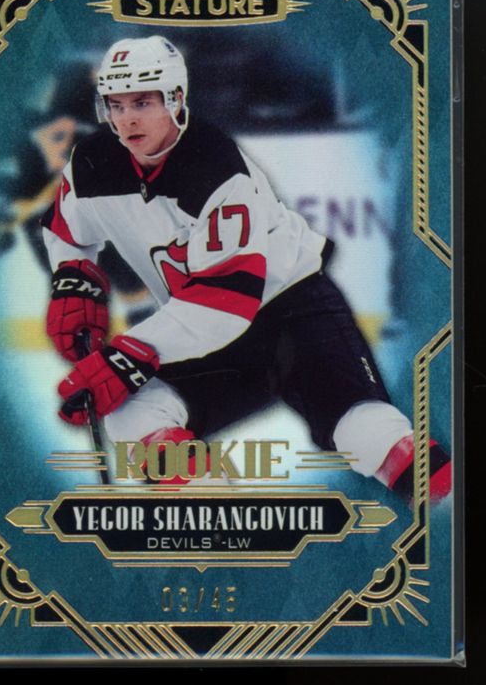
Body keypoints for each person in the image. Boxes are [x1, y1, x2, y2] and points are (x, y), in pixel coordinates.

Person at [41, 35, 450, 503]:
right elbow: (66, 228)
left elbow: (224, 302)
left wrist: (128, 356)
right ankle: (212, 510)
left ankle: (451, 511)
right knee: (130, 411)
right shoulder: (91, 164)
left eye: (142, 102)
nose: (127, 118)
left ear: (176, 99)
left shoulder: (216, 168)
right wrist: (74, 279)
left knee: (370, 434)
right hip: (204, 338)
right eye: (116, 104)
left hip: (293, 316)